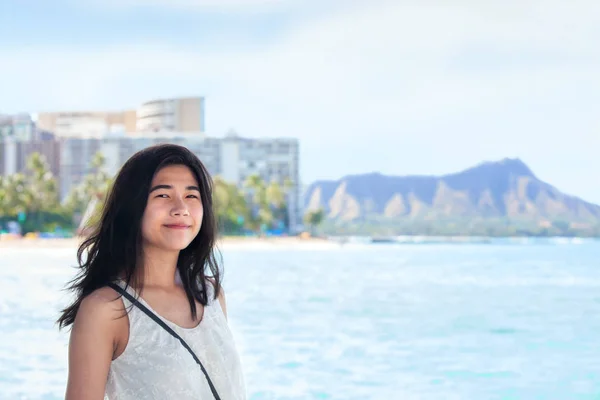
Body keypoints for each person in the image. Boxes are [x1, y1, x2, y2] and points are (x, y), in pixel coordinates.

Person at [57, 144, 246, 400]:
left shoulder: (210, 293)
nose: (181, 208)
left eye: (192, 196)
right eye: (163, 195)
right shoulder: (106, 309)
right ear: (133, 207)